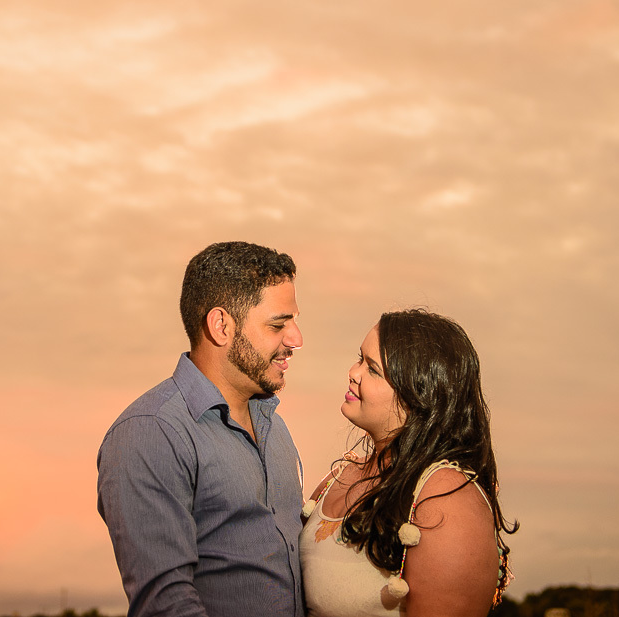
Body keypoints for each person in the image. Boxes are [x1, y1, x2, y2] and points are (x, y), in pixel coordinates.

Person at [97, 241, 306, 617]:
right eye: (278, 325)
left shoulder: (274, 426)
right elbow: (166, 605)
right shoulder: (151, 433)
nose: (296, 340)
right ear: (221, 326)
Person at [300, 308, 517, 617]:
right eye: (360, 358)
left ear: (418, 394)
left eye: (373, 369)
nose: (353, 372)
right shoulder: (337, 478)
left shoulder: (445, 497)